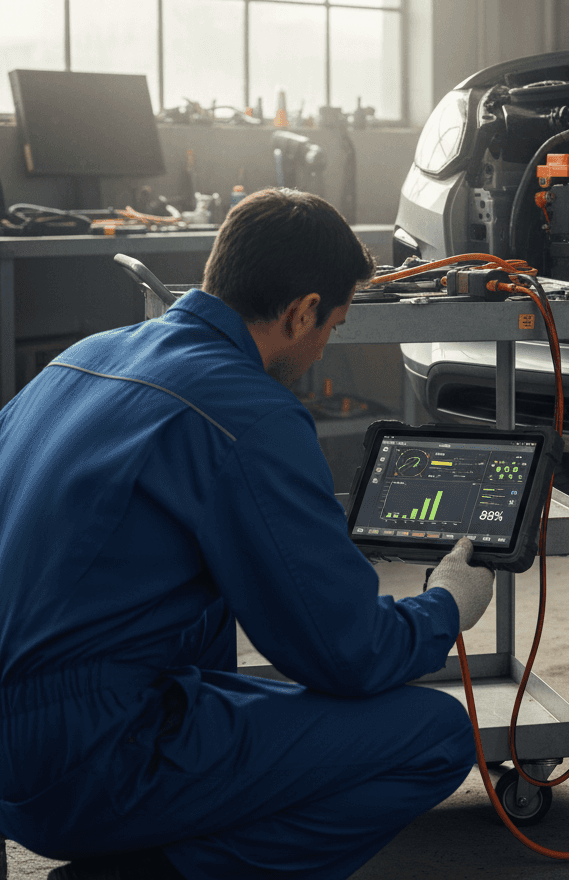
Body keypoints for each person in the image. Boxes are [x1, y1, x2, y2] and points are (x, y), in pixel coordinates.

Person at [0, 189, 494, 880]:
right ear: (301, 312)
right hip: (88, 760)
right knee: (434, 736)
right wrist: (448, 604)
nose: (324, 351)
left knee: (215, 621)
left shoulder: (81, 358)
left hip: (23, 750)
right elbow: (343, 654)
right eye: (333, 326)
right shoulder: (249, 412)